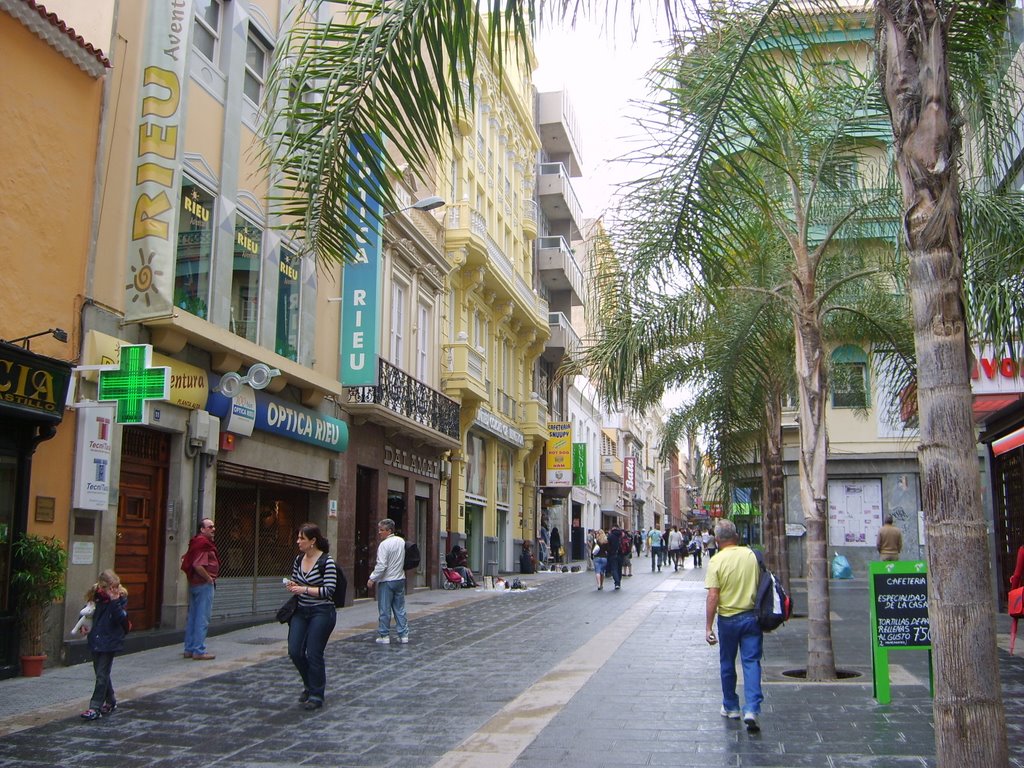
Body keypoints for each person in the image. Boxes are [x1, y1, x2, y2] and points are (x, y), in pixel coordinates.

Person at [704, 519, 763, 733]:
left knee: (727, 663)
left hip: (728, 619)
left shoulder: (716, 561)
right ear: (737, 537)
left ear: (717, 540)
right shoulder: (751, 556)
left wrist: (708, 627)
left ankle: (731, 706)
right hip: (751, 617)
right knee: (751, 662)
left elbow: (713, 596)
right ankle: (752, 708)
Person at [283, 522, 338, 711]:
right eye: (298, 538)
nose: (298, 541)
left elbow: (329, 590)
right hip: (301, 610)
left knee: (314, 653)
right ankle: (309, 684)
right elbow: (297, 580)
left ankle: (316, 694)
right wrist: (292, 585)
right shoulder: (299, 560)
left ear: (313, 541)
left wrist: (304, 589)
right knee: (295, 651)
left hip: (322, 612)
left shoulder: (326, 562)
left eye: (302, 539)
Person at [79, 569, 129, 720]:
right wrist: (83, 624)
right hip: (95, 639)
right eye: (111, 588)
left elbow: (120, 618)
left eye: (116, 586)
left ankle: (95, 708)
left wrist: (114, 601)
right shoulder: (96, 597)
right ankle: (111, 700)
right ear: (102, 587)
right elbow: (86, 613)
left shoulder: (120, 599)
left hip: (110, 640)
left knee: (101, 674)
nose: (115, 590)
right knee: (101, 673)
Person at [182, 518, 219, 660]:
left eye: (213, 526)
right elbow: (198, 565)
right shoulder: (203, 544)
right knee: (202, 618)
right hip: (203, 585)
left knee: (193, 617)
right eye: (210, 527)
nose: (213, 529)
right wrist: (209, 578)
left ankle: (189, 648)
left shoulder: (196, 542)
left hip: (195, 584)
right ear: (202, 529)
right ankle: (199, 650)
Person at [368, 518, 409, 644]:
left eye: (382, 530)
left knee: (385, 609)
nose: (379, 532)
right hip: (400, 579)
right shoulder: (401, 541)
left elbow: (381, 565)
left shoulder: (384, 545)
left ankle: (384, 635)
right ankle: (403, 635)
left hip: (387, 580)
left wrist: (372, 578)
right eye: (379, 530)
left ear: (389, 530)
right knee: (400, 608)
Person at [606, 525, 625, 589]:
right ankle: (619, 582)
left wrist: (609, 551)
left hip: (613, 554)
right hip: (621, 555)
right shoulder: (622, 535)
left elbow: (607, 546)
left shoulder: (610, 536)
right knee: (619, 569)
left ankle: (617, 583)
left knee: (614, 569)